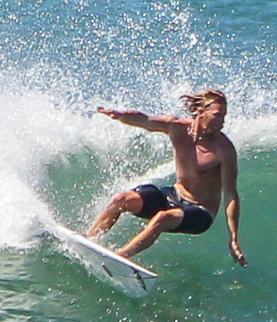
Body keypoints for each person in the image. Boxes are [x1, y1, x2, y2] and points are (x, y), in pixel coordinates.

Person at [87, 89, 247, 266]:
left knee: (163, 218)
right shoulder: (177, 128)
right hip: (173, 195)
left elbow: (231, 194)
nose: (222, 122)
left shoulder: (224, 150)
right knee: (120, 199)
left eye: (224, 116)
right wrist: (120, 115)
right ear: (200, 112)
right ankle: (89, 240)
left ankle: (120, 257)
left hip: (201, 211)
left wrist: (233, 238)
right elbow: (145, 120)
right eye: (217, 115)